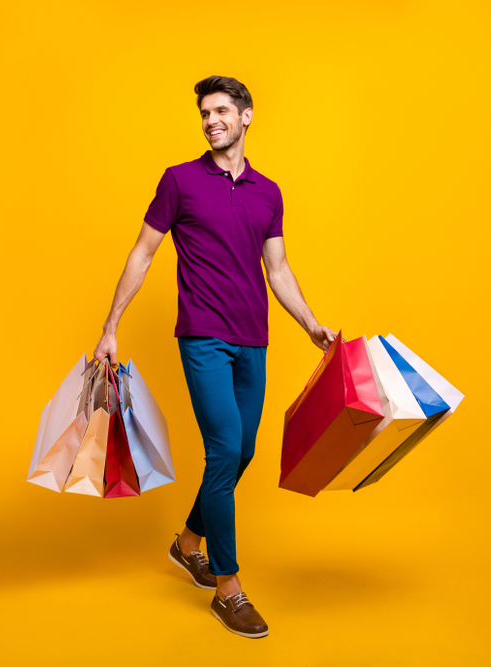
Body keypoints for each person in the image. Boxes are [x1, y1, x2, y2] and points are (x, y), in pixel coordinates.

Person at [92, 75, 335, 639]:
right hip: (202, 335)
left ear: (246, 116)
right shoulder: (179, 182)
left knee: (242, 452)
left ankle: (187, 544)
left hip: (254, 338)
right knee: (224, 447)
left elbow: (277, 269)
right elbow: (143, 254)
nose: (211, 120)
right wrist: (111, 326)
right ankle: (228, 588)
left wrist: (309, 323)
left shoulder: (267, 191)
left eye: (222, 110)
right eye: (205, 113)